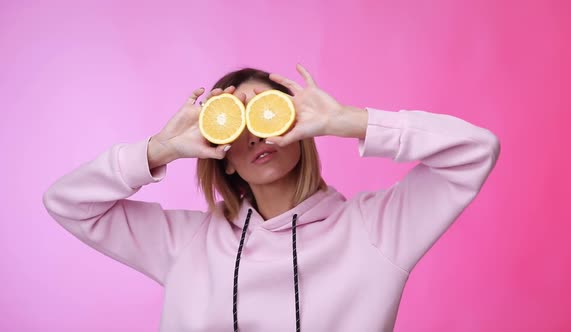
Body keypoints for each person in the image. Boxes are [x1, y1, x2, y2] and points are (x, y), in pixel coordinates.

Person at [42, 63, 501, 331]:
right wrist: (159, 149)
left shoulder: (376, 230)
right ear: (223, 155)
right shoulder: (187, 243)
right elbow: (68, 202)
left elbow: (475, 150)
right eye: (236, 120)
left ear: (298, 129)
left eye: (267, 113)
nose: (256, 134)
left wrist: (349, 120)